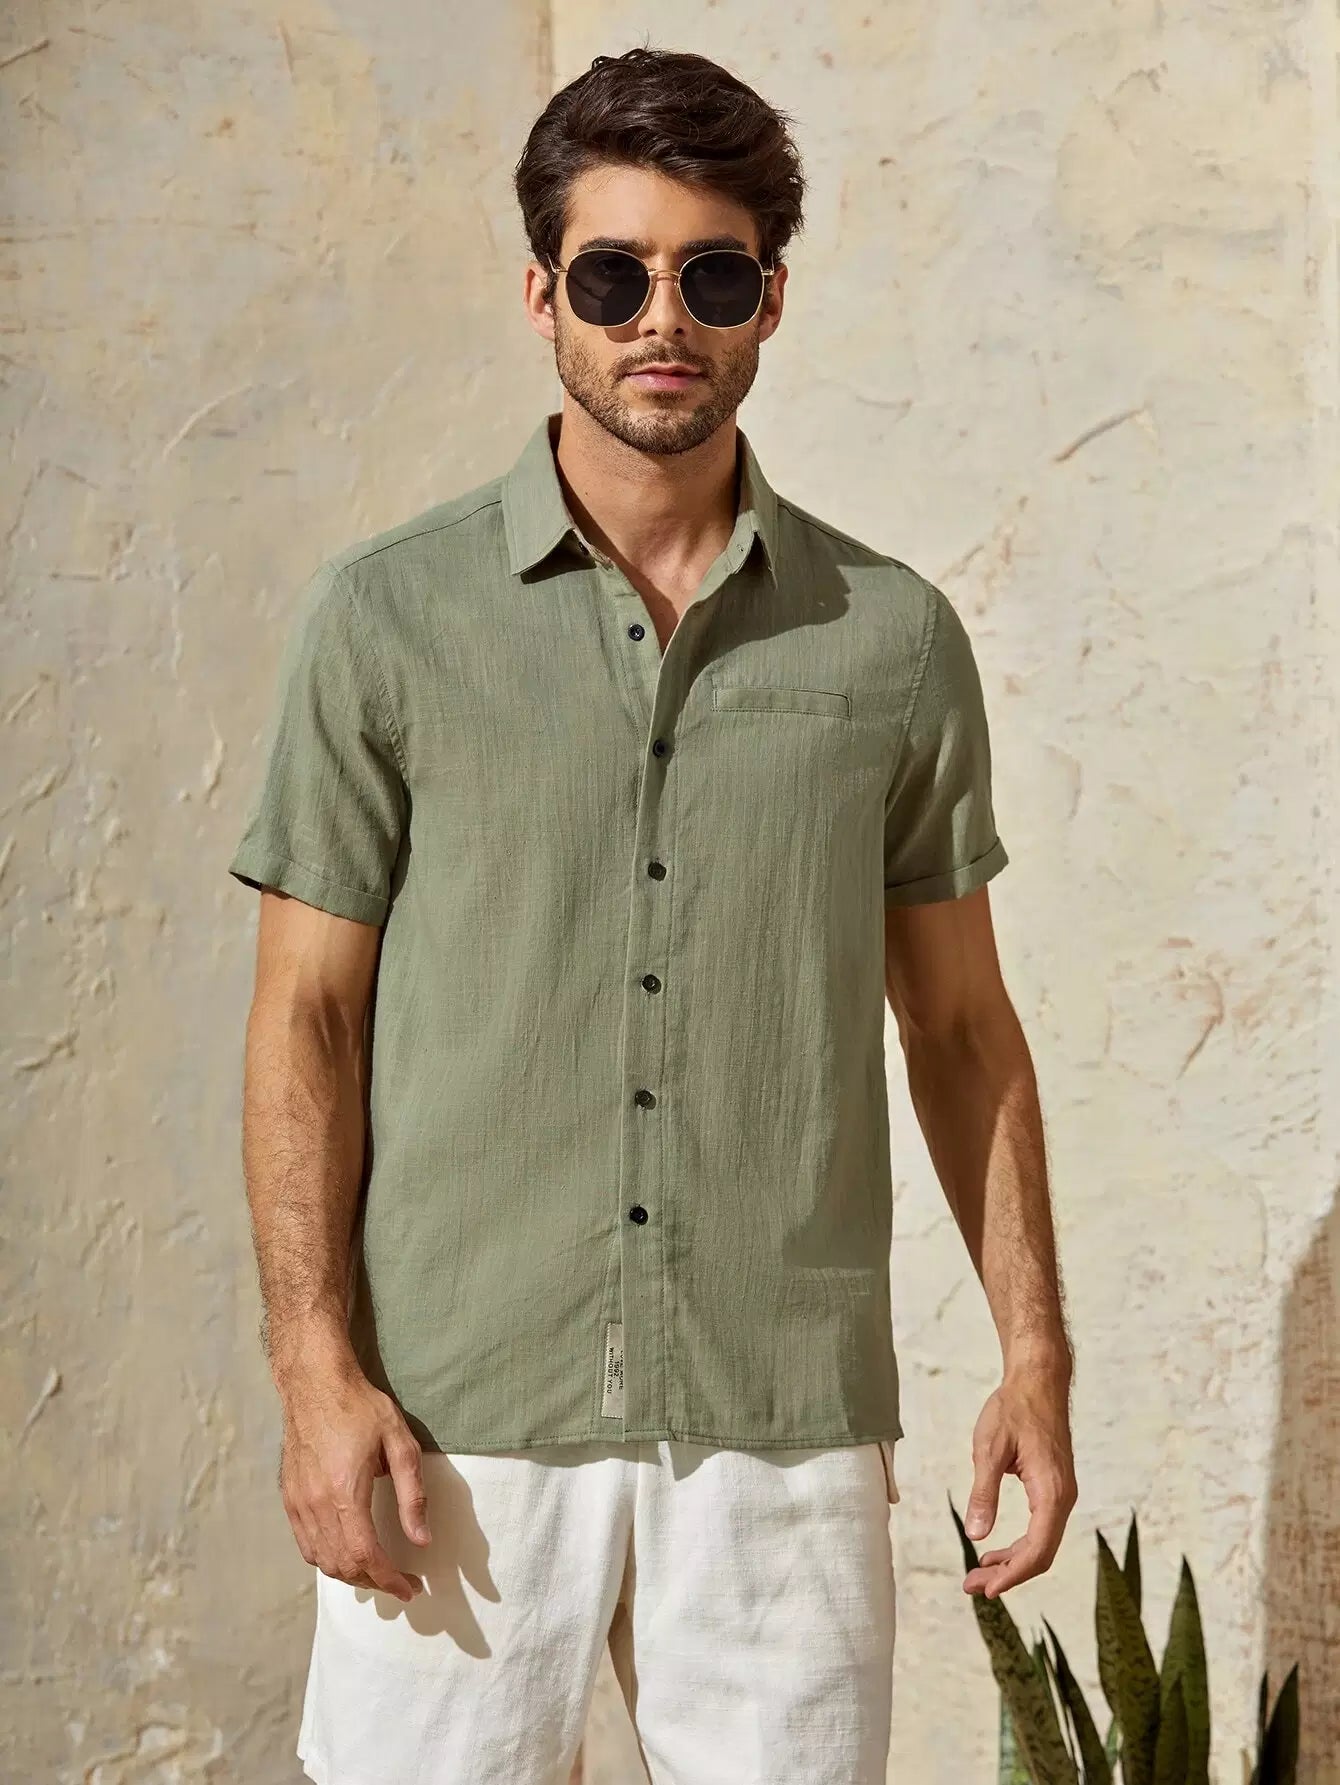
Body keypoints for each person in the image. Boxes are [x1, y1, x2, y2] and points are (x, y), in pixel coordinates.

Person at [227, 42, 1077, 1785]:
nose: (662, 319)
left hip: (779, 1423)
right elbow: (306, 1017)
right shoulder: (385, 623)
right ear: (544, 293)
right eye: (613, 276)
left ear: (772, 299)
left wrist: (1035, 1351)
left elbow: (961, 1025)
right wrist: (315, 1370)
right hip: (454, 1414)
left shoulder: (891, 640)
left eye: (714, 276)